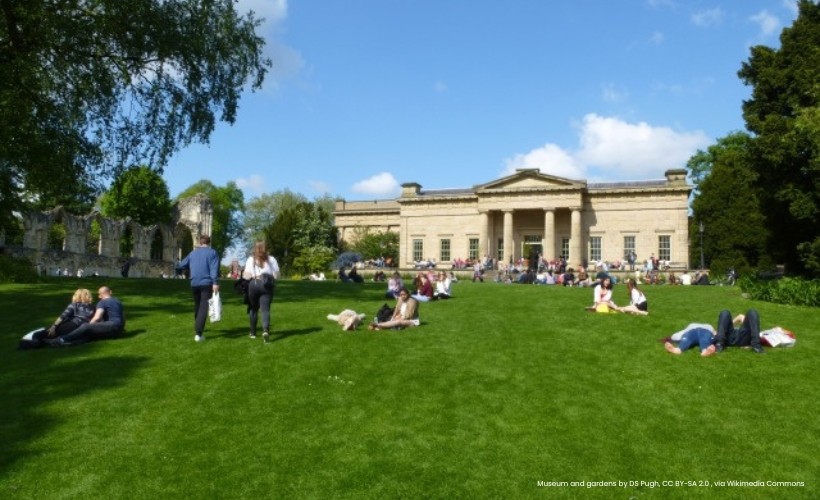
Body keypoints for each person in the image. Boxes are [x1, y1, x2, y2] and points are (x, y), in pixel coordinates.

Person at [176, 234, 220, 342]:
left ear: (200, 242)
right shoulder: (212, 253)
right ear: (209, 242)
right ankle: (199, 333)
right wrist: (215, 282)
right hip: (206, 283)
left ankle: (197, 325)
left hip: (194, 283)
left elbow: (181, 265)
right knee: (203, 307)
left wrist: (180, 271)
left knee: (197, 305)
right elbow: (214, 269)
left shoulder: (193, 253)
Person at [48, 286, 125, 346]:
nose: (99, 297)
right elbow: (123, 316)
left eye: (99, 295)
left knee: (86, 327)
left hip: (111, 325)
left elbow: (97, 317)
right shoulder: (117, 301)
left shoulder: (102, 302)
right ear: (110, 292)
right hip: (119, 329)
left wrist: (89, 325)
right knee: (90, 336)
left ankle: (62, 339)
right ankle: (71, 343)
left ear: (100, 295)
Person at [243, 241, 280, 343]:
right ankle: (265, 330)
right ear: (266, 248)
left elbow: (246, 275)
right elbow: (277, 275)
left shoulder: (251, 259)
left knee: (253, 309)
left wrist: (252, 275)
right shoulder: (271, 259)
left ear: (255, 249)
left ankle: (253, 333)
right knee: (265, 310)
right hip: (267, 285)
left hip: (254, 284)